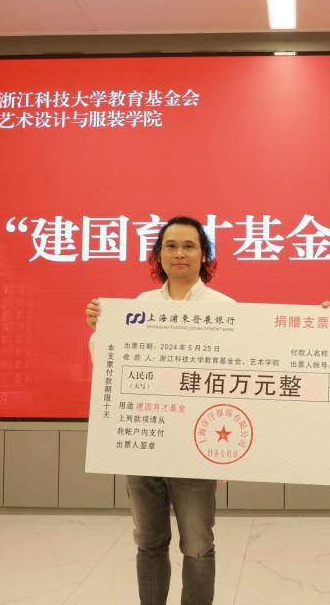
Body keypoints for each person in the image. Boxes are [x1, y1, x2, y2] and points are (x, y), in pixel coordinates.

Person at [85, 215, 234, 605]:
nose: (179, 253)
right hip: (144, 441)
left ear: (204, 255)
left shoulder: (226, 309)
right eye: (171, 246)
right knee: (149, 542)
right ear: (158, 255)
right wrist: (102, 329)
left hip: (195, 448)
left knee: (197, 545)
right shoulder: (140, 305)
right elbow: (108, 364)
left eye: (189, 246)